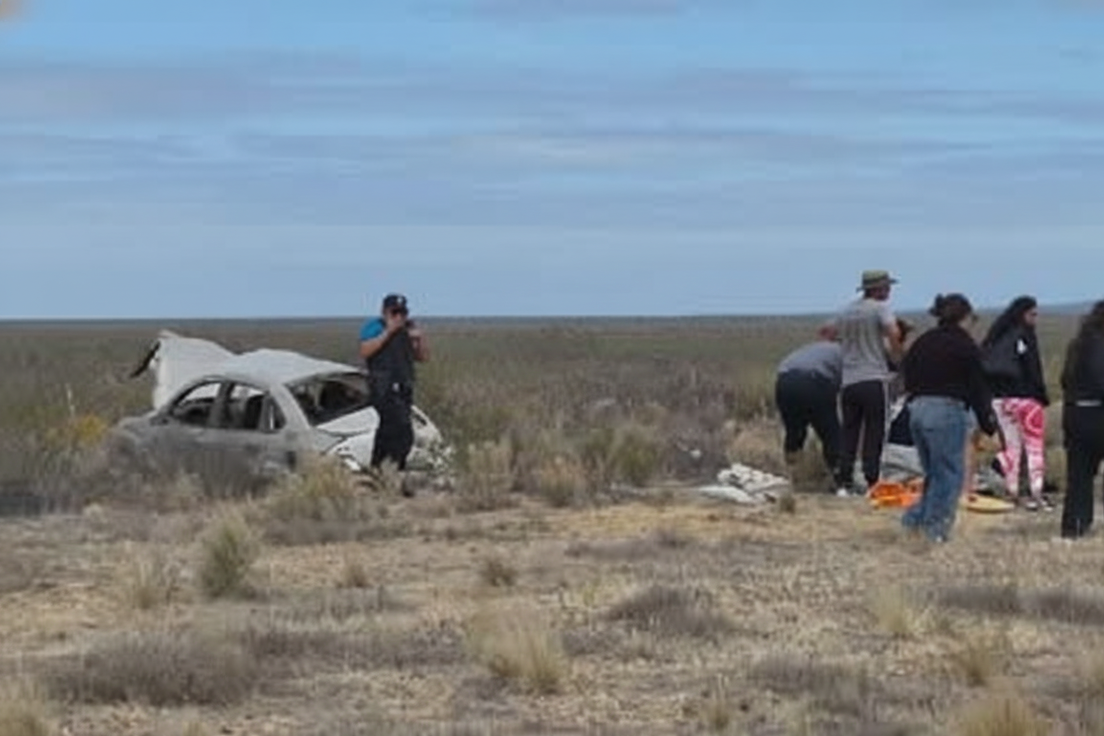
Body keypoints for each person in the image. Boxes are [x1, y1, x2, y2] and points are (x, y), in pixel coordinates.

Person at [899, 293, 1002, 543]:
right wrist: (988, 423)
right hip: (946, 410)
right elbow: (978, 387)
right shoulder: (964, 345)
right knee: (949, 474)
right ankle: (936, 532)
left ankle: (914, 522)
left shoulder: (923, 341)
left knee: (933, 472)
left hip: (917, 409)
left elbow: (906, 372)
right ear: (964, 317)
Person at [820, 270, 904, 496]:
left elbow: (826, 332)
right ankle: (872, 480)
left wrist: (847, 344)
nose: (889, 290)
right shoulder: (879, 309)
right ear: (878, 289)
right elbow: (893, 332)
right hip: (874, 378)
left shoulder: (846, 311)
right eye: (886, 286)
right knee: (875, 431)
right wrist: (897, 356)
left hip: (849, 382)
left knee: (849, 432)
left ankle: (844, 482)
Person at [979, 296, 1052, 510]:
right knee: (1034, 448)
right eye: (1032, 314)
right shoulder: (1025, 336)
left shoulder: (997, 337)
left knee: (1011, 447)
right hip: (1026, 399)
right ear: (1023, 314)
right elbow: (1033, 369)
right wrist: (1041, 395)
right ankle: (1037, 494)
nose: (1035, 319)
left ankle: (1013, 493)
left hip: (1000, 400)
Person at [358, 293, 429, 472]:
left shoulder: (408, 329)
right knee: (402, 431)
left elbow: (423, 357)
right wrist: (388, 331)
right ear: (384, 311)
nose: (399, 317)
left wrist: (419, 339)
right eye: (394, 312)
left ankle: (380, 468)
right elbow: (365, 351)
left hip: (404, 386)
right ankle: (393, 469)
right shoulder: (374, 327)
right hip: (383, 387)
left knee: (388, 432)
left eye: (403, 312)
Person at [1058, 301, 1104, 540]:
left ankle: (1074, 525)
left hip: (1074, 414)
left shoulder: (1076, 345)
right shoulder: (1099, 345)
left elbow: (1064, 380)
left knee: (1079, 476)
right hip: (1097, 416)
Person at [774, 338, 842, 486]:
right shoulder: (844, 353)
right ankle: (840, 480)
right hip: (813, 381)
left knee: (795, 431)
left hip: (784, 382)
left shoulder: (815, 347)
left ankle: (792, 475)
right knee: (831, 434)